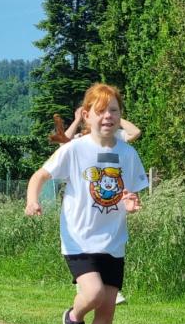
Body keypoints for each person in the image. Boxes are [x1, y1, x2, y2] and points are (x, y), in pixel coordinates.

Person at [25, 82, 147, 324]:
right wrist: (32, 200)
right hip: (79, 237)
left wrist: (130, 203)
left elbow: (128, 193)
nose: (108, 116)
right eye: (101, 110)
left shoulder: (128, 153)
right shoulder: (75, 149)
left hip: (113, 241)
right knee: (93, 293)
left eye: (114, 110)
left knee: (107, 306)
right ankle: (73, 317)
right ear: (87, 115)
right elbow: (39, 176)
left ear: (120, 115)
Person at [54, 106, 142, 306]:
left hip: (110, 202)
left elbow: (135, 132)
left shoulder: (115, 137)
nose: (104, 116)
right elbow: (62, 143)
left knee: (107, 245)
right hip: (87, 203)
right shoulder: (79, 141)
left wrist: (114, 117)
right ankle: (87, 287)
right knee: (86, 246)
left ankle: (104, 289)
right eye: (98, 112)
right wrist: (77, 119)